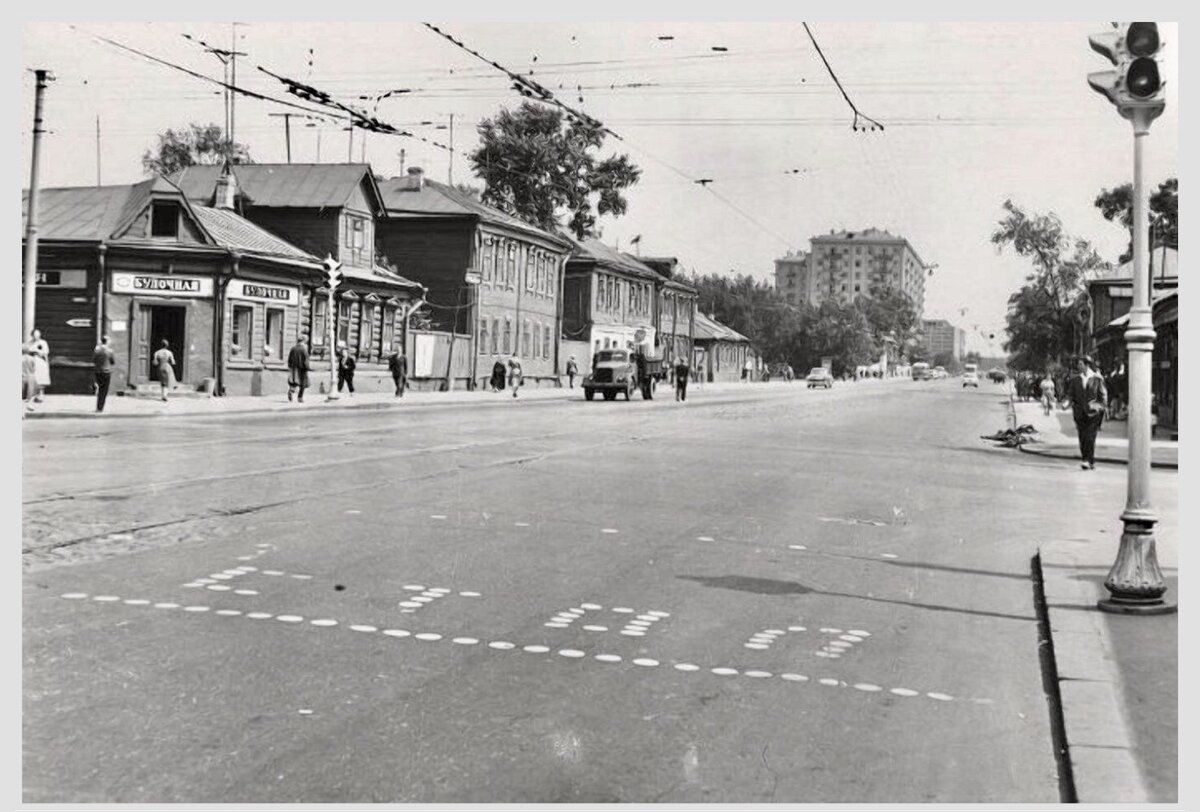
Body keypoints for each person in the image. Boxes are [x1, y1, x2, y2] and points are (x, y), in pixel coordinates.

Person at [1066, 355, 1107, 470]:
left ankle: (1089, 460)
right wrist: (1067, 404)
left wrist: (1099, 407)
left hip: (1093, 413)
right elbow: (1070, 395)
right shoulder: (1075, 380)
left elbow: (1103, 396)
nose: (1078, 366)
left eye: (1080, 364)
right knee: (1082, 437)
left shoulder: (1097, 379)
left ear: (1087, 365)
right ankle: (1086, 459)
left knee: (1090, 437)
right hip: (1080, 413)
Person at [92, 335, 115, 413]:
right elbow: (112, 362)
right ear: (107, 342)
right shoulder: (110, 351)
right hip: (106, 372)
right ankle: (100, 408)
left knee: (100, 388)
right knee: (104, 391)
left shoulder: (97, 350)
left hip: (98, 371)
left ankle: (98, 407)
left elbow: (94, 360)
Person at [28, 329, 50, 401]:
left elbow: (46, 352)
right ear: (32, 335)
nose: (36, 336)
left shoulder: (43, 342)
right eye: (34, 335)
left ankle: (41, 395)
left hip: (41, 361)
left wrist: (37, 351)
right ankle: (34, 395)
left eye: (37, 334)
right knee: (34, 378)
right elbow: (28, 350)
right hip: (33, 361)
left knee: (41, 377)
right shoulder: (30, 343)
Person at [287, 335, 310, 403]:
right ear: (304, 341)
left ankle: (291, 391)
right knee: (303, 383)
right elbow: (306, 360)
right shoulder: (304, 349)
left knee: (294, 381)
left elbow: (289, 359)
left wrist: (290, 366)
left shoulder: (293, 348)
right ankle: (300, 397)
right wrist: (307, 367)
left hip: (294, 367)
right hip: (302, 368)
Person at [22, 348, 38, 412]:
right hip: (31, 377)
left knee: (22, 396)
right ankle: (30, 405)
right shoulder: (32, 359)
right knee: (31, 393)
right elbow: (34, 369)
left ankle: (22, 412)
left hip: (22, 377)